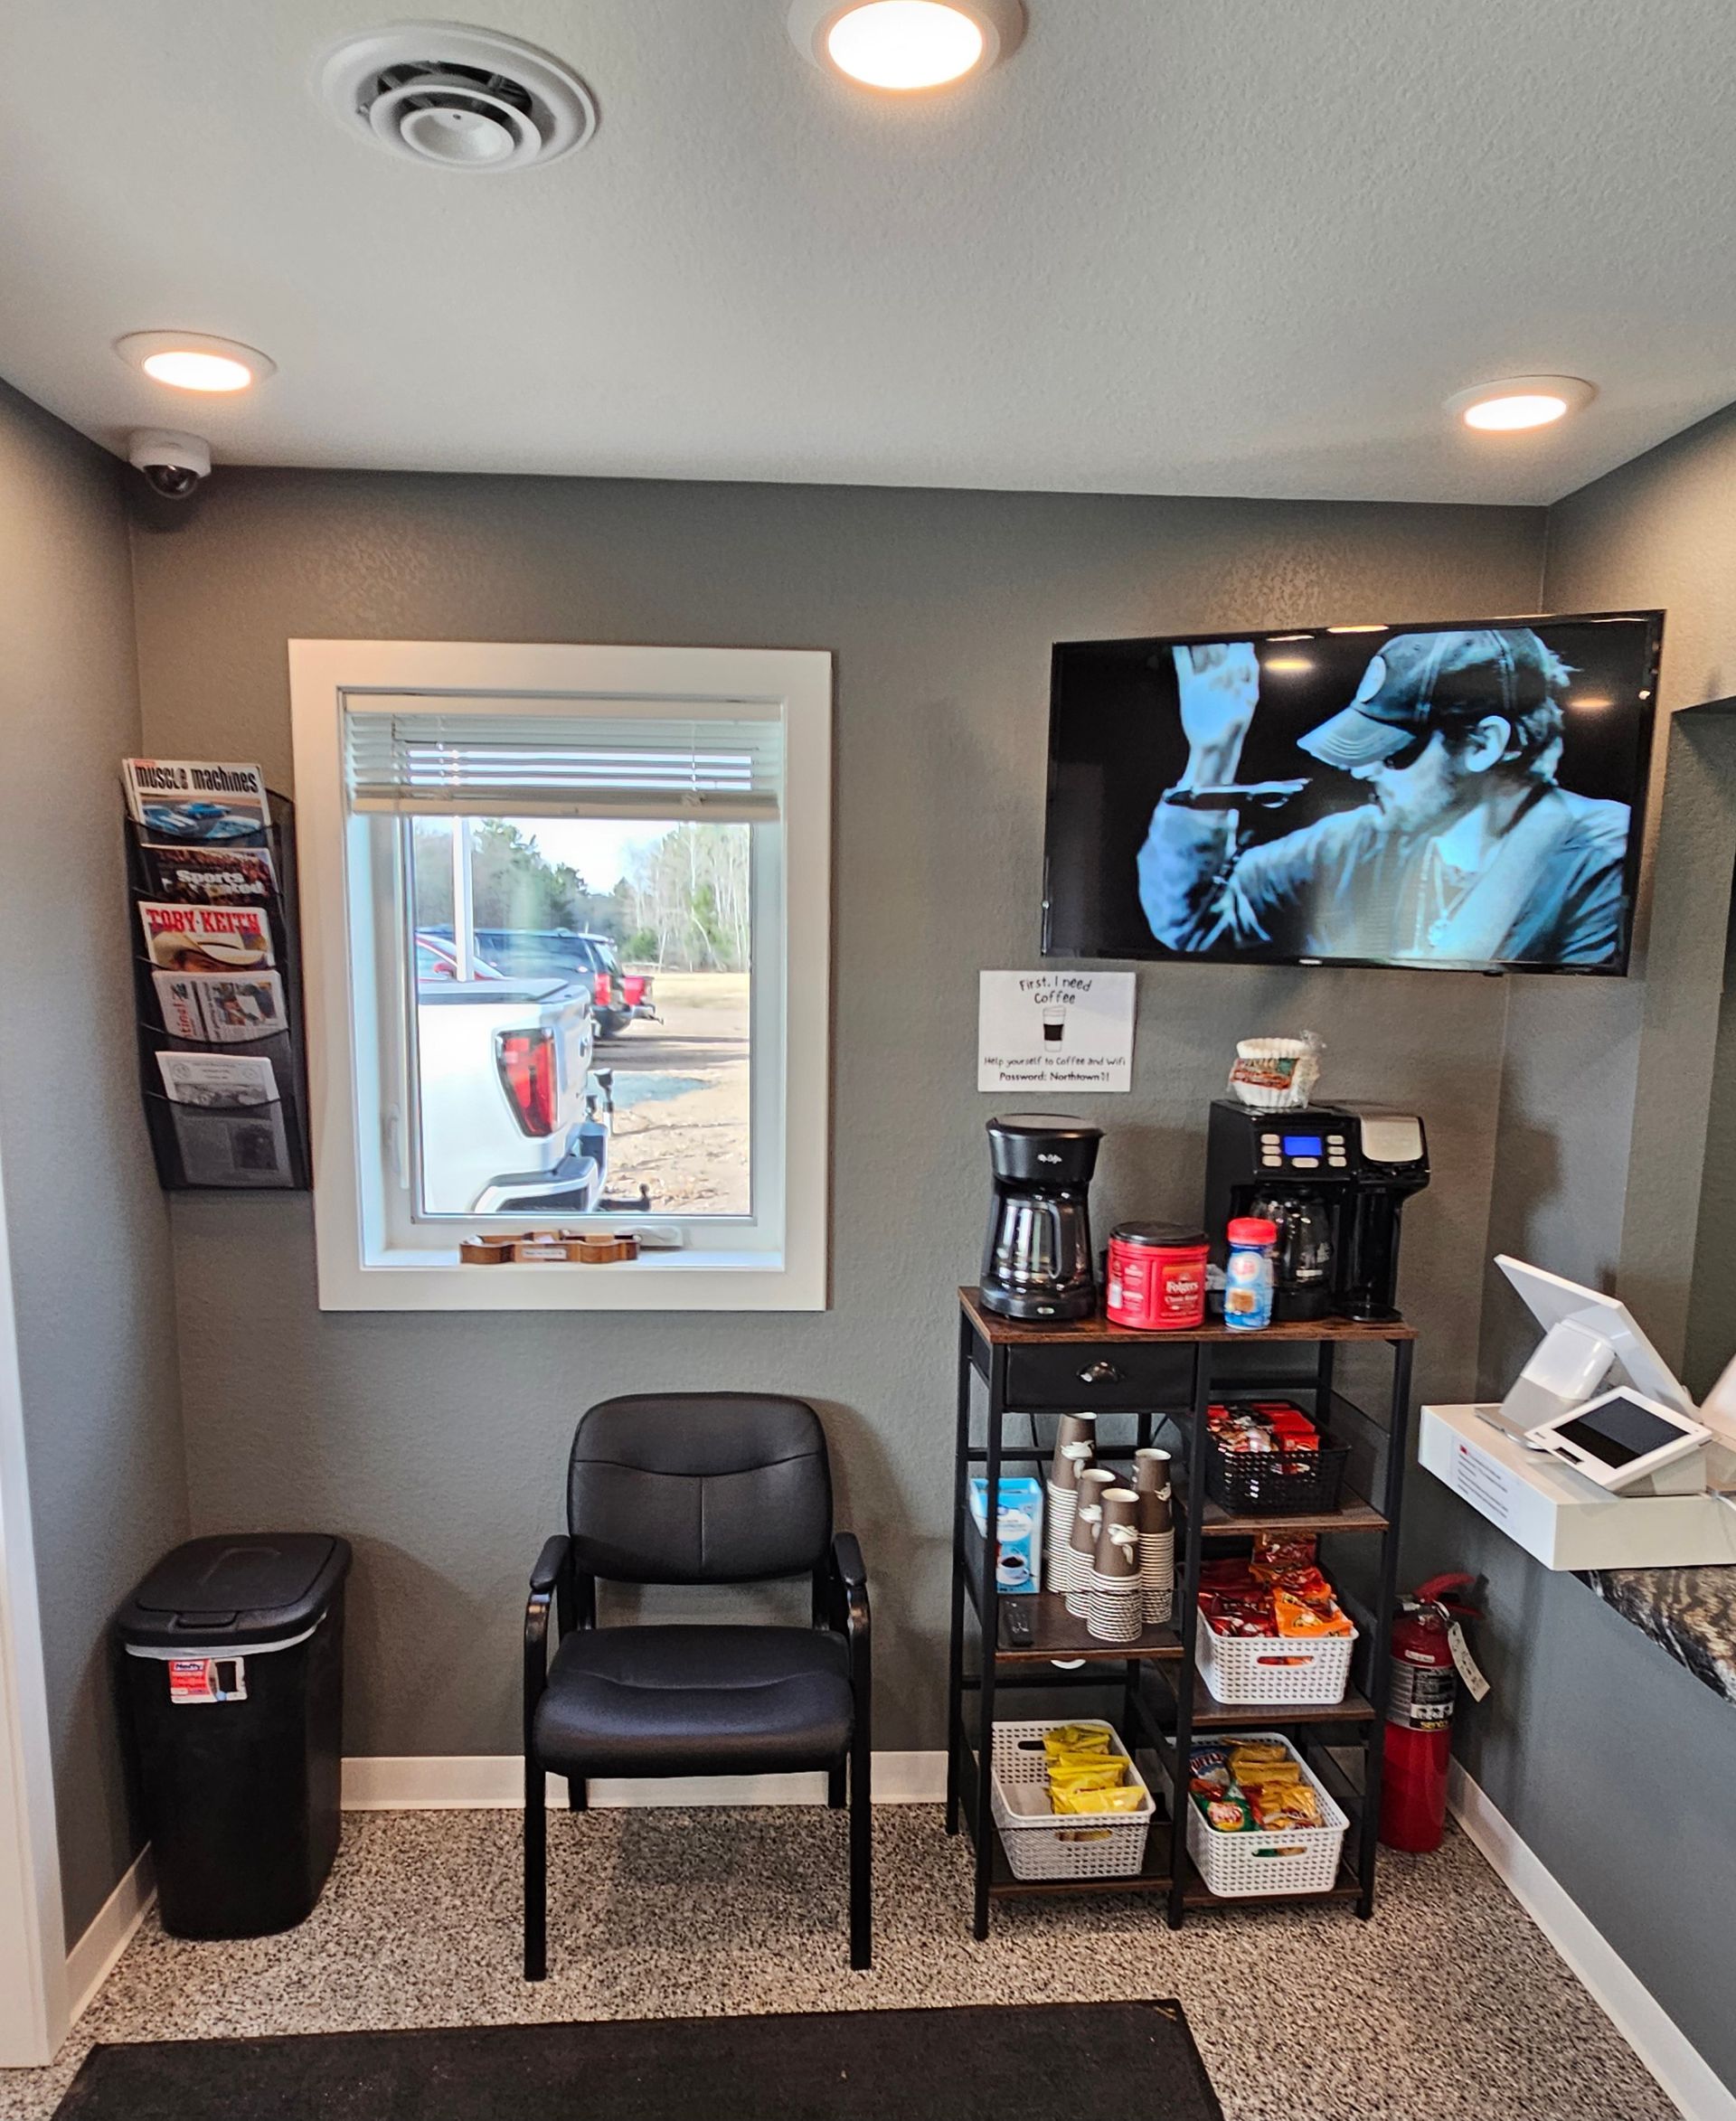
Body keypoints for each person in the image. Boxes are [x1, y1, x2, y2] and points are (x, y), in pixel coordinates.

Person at [1136, 627, 1631, 965]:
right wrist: (1213, 752)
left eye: (1395, 752)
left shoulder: (1600, 858)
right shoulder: (1355, 843)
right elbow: (1192, 925)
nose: (1363, 769)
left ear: (1484, 745)